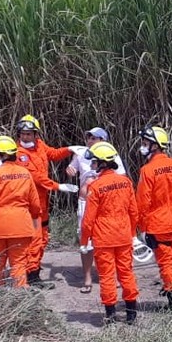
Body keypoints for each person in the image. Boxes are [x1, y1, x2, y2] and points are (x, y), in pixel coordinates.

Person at [135, 125, 172, 311]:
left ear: (155, 145)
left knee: (166, 262)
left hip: (157, 224)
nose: (143, 146)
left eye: (145, 143)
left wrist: (142, 228)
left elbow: (143, 202)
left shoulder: (148, 170)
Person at [79, 141, 140, 325]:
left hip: (104, 238)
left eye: (94, 162)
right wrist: (131, 233)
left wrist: (84, 240)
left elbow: (88, 219)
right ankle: (131, 315)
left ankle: (111, 315)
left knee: (107, 277)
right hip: (123, 236)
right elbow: (134, 212)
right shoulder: (126, 182)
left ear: (102, 162)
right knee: (126, 274)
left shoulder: (96, 187)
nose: (92, 165)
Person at [15, 114, 78, 288]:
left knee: (43, 237)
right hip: (30, 203)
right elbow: (36, 178)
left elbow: (53, 154)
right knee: (35, 239)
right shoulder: (20, 155)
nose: (26, 137)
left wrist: (70, 149)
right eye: (23, 134)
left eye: (29, 133)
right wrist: (59, 186)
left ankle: (32, 269)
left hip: (42, 202)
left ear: (36, 134)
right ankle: (32, 275)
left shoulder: (40, 145)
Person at [66, 126, 127, 293]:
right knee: (85, 238)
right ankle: (87, 277)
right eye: (88, 137)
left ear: (102, 140)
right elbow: (71, 169)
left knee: (107, 237)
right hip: (85, 202)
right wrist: (70, 170)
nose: (90, 140)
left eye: (94, 137)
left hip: (105, 202)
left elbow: (121, 177)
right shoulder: (80, 153)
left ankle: (111, 275)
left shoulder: (111, 153)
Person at [0, 136, 42, 288]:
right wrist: (34, 220)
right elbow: (35, 203)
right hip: (22, 226)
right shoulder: (25, 173)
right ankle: (19, 298)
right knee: (19, 265)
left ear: (5, 155)